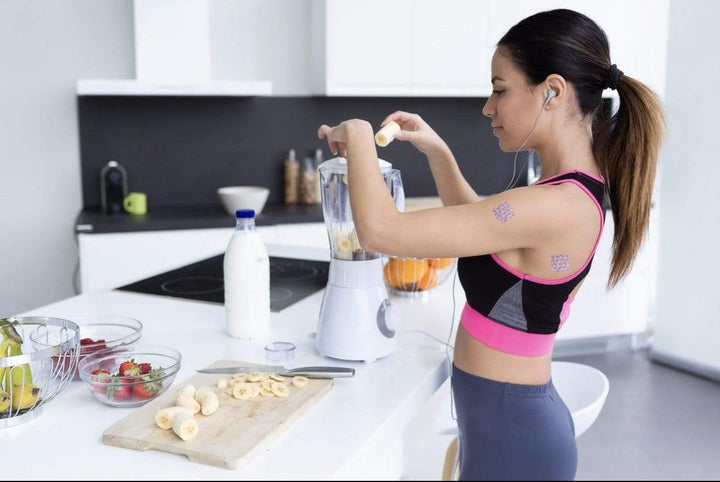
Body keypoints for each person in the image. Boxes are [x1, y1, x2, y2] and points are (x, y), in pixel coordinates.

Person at [317, 8, 664, 481]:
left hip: (512, 435)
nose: (488, 106)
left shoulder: (556, 203)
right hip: (508, 425)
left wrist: (358, 136)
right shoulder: (568, 191)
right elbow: (487, 235)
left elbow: (382, 232)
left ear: (553, 91)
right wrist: (438, 151)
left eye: (500, 89)